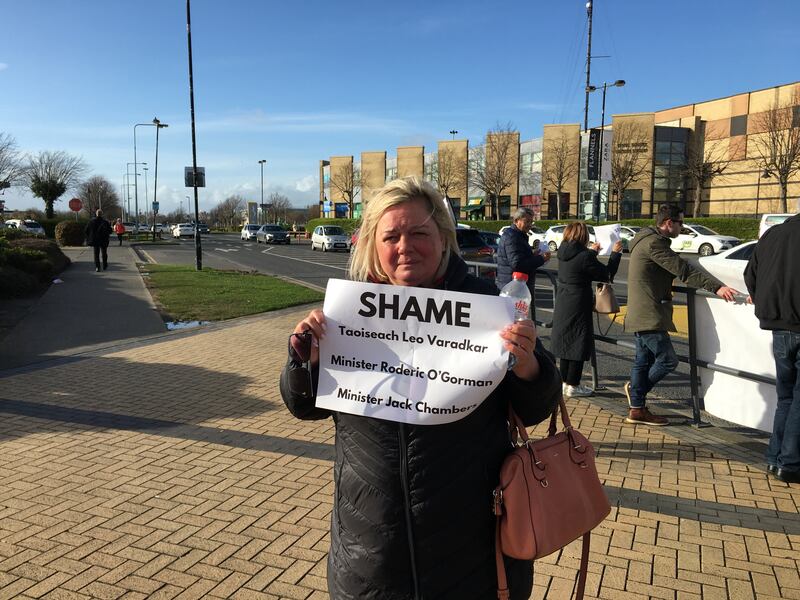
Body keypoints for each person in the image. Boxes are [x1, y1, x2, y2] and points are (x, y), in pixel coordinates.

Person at [280, 176, 561, 599]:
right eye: (390, 236)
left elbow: (536, 407)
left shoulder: (487, 306)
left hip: (473, 552)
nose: (405, 246)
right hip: (370, 553)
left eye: (419, 233)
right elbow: (303, 406)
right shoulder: (347, 314)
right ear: (372, 245)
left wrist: (528, 365)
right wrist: (305, 360)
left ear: (443, 238)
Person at [624, 204, 739, 425]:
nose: (682, 227)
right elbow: (683, 270)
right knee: (668, 360)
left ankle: (636, 409)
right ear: (669, 223)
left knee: (642, 361)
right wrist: (717, 287)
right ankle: (636, 395)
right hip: (649, 313)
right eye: (680, 223)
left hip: (642, 311)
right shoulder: (654, 243)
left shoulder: (644, 239)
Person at [744, 213, 800, 484]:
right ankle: (790, 463)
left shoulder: (773, 234)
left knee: (785, 396)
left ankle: (774, 457)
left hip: (778, 324)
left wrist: (762, 300)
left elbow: (750, 274)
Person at [551, 222, 623, 398]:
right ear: (583, 236)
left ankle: (564, 382)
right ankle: (573, 385)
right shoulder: (584, 256)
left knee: (566, 341)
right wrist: (616, 254)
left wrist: (592, 252)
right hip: (578, 301)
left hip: (563, 300)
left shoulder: (563, 251)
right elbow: (606, 274)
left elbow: (580, 262)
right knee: (578, 342)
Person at [495, 207, 551, 317]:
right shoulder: (513, 237)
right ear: (517, 221)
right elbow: (517, 264)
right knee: (513, 320)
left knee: (515, 319)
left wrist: (533, 255)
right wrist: (541, 259)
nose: (530, 225)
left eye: (531, 221)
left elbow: (518, 258)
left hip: (514, 286)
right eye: (527, 221)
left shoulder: (517, 235)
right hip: (513, 288)